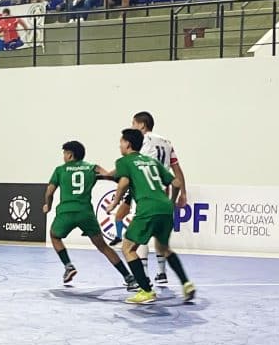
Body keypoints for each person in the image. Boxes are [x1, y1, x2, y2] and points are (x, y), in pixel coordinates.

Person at [109, 129, 196, 305]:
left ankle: (146, 291)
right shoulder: (151, 161)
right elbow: (176, 183)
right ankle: (186, 283)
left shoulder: (124, 161)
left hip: (147, 208)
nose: (119, 145)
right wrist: (172, 202)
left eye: (121, 142)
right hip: (164, 207)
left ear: (128, 144)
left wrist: (115, 202)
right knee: (163, 248)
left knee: (128, 248)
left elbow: (123, 182)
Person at [44, 141, 137, 288]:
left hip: (66, 212)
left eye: (64, 153)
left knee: (54, 236)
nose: (63, 156)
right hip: (85, 213)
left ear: (70, 154)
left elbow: (49, 192)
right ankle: (129, 278)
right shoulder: (92, 168)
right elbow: (109, 176)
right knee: (103, 247)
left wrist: (47, 205)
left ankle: (68, 266)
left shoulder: (60, 170)